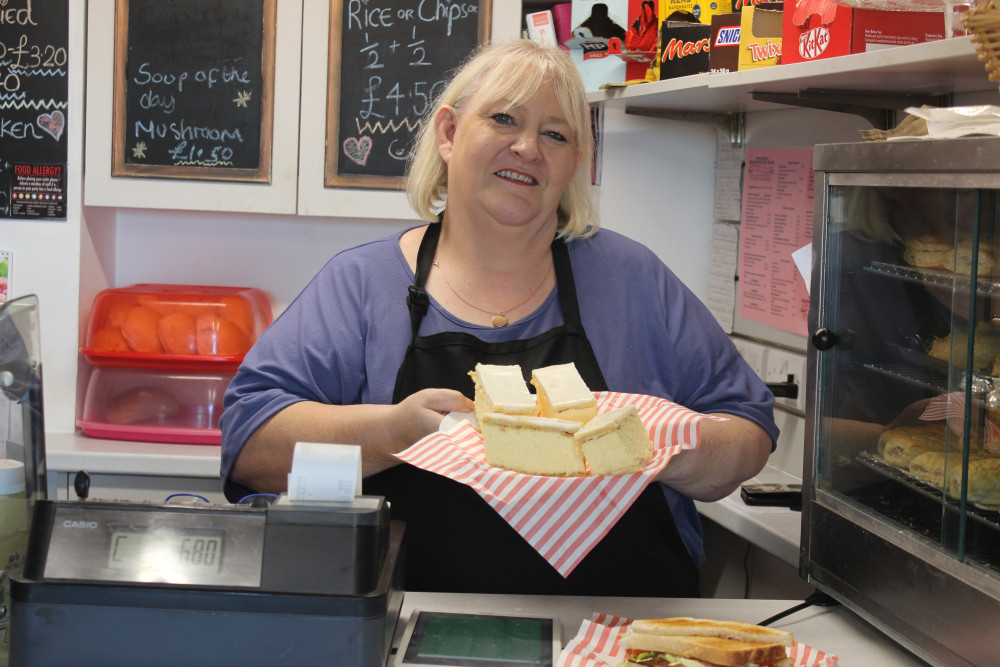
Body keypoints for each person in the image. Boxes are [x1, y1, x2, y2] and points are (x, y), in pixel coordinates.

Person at [220, 39, 777, 597]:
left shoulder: (632, 280)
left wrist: (659, 449)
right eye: (504, 119)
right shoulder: (363, 285)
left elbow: (748, 430)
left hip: (625, 639)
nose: (529, 147)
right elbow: (250, 446)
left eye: (556, 134)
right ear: (449, 133)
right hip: (407, 633)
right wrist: (398, 431)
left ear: (575, 165)